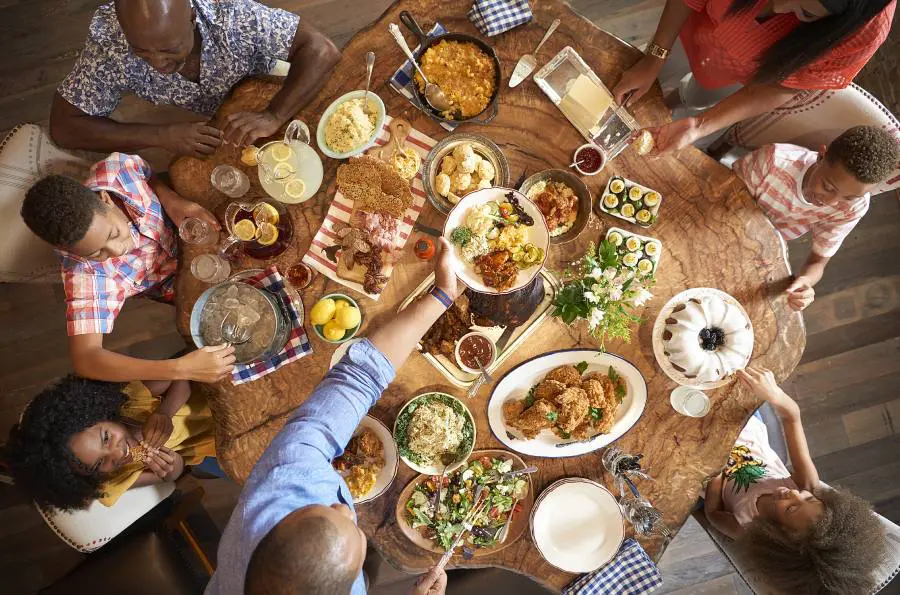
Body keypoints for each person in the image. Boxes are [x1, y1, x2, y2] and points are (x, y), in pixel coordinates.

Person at [208, 240, 462, 595]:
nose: (344, 509)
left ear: (276, 524)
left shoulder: (286, 477)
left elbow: (360, 377)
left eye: (324, 508)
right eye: (355, 529)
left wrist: (443, 294)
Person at [20, 152, 235, 382]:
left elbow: (147, 173)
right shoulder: (85, 275)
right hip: (178, 287)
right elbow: (86, 358)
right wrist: (180, 369)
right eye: (96, 253)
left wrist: (169, 198)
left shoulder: (117, 170)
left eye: (113, 234)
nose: (116, 250)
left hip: (194, 232)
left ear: (106, 200)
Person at [50, 0, 341, 157]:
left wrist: (273, 115)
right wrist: (159, 135)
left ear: (192, 18)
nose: (158, 64)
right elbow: (64, 127)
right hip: (218, 122)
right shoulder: (109, 41)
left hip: (272, 89)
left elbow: (321, 49)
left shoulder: (231, 14)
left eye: (169, 49)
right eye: (141, 52)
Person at [613, 0, 895, 153]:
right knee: (649, 77)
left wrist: (700, 125)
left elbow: (783, 86)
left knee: (696, 97)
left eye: (804, 13)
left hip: (745, 77)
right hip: (692, 28)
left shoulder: (864, 32)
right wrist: (654, 58)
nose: (778, 6)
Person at [704, 366, 886, 593]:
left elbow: (712, 514)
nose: (793, 494)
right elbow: (792, 417)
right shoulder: (807, 485)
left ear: (778, 535)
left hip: (705, 455)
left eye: (790, 509)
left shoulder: (746, 527)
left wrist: (716, 465)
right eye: (808, 499)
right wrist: (775, 395)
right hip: (746, 426)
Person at [733, 125, 899, 311]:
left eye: (848, 197)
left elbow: (818, 261)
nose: (831, 203)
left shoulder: (853, 208)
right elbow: (721, 194)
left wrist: (806, 282)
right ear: (821, 156)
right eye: (828, 187)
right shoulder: (773, 162)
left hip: (763, 249)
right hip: (725, 217)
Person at [6, 375, 216, 510]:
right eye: (99, 464)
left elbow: (180, 377)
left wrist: (165, 412)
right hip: (214, 444)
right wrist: (172, 466)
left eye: (106, 437)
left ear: (99, 414)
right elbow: (173, 474)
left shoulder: (130, 401)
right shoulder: (112, 482)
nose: (117, 453)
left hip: (213, 395)